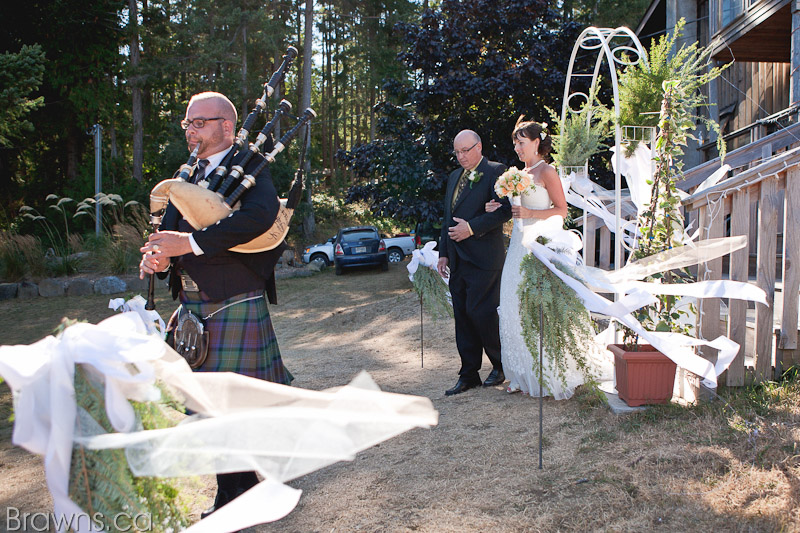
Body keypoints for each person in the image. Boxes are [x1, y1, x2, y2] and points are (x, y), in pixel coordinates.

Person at [139, 91, 292, 517]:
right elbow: (165, 229)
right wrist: (157, 254)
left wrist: (189, 242)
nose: (191, 130)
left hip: (231, 297)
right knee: (213, 408)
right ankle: (241, 493)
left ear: (227, 126)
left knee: (229, 408)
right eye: (187, 123)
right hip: (191, 302)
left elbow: (258, 217)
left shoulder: (249, 167)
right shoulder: (184, 173)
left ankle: (235, 499)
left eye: (200, 122)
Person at [485, 118, 587, 399]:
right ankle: (521, 374)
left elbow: (562, 210)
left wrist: (531, 215)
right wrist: (499, 204)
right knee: (512, 303)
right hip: (518, 245)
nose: (517, 147)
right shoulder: (519, 173)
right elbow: (517, 208)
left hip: (540, 246)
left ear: (536, 142)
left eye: (521, 142)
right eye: (515, 143)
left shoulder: (546, 172)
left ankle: (545, 373)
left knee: (536, 307)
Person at [437, 130, 511, 396]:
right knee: (463, 317)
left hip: (484, 257)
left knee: (482, 313)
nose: (461, 156)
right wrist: (443, 252)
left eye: (466, 150)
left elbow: (504, 211)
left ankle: (501, 365)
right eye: (457, 152)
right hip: (457, 259)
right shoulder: (454, 177)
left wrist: (471, 228)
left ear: (479, 147)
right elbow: (447, 215)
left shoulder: (496, 172)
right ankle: (468, 374)